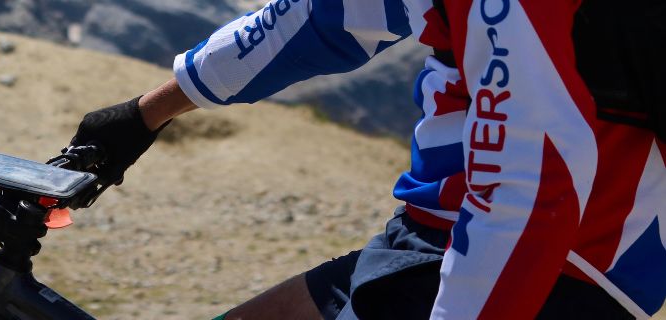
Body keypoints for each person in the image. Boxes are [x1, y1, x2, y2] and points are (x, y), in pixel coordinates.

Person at [66, 0, 665, 319]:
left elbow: (527, 196)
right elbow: (322, 21)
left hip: (554, 268)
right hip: (445, 234)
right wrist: (143, 114)